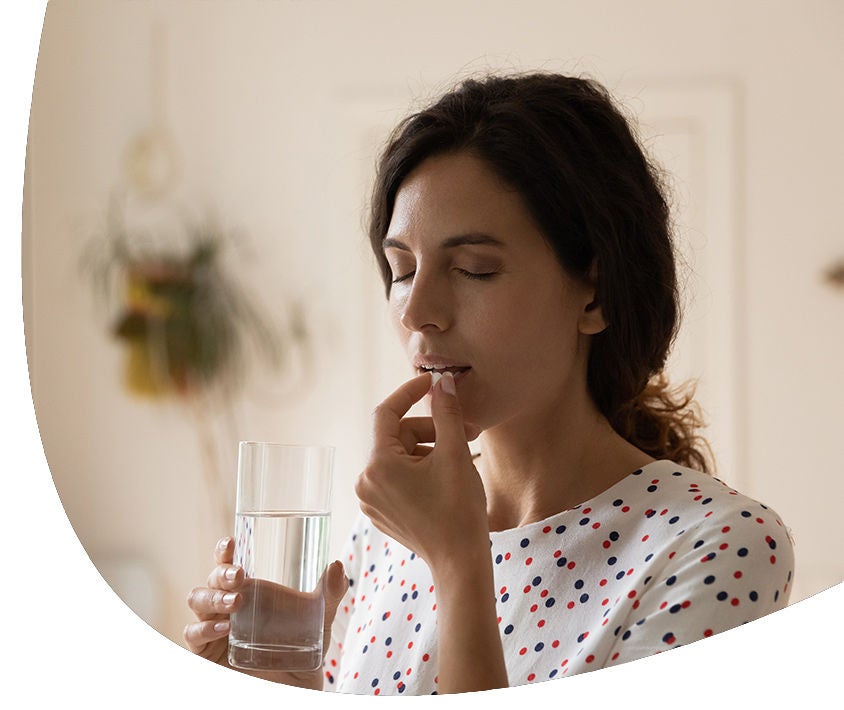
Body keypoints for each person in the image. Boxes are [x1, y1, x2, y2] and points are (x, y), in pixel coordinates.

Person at [184, 72, 794, 695]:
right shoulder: (386, 535)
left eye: (474, 269)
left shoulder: (717, 545)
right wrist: (287, 685)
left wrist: (459, 564)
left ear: (596, 293)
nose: (419, 310)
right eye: (401, 269)